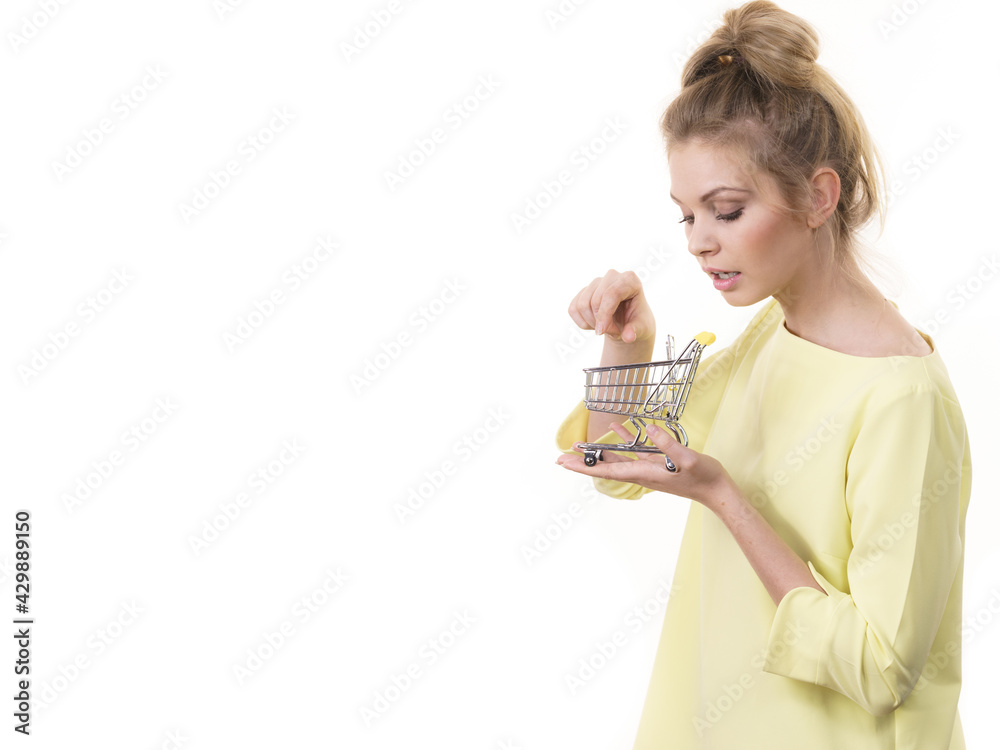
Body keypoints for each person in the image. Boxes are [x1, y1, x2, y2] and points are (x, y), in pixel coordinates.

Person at [554, 2, 972, 748]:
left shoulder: (901, 399)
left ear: (818, 196)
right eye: (687, 216)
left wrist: (724, 497)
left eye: (726, 210)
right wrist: (630, 346)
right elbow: (615, 465)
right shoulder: (775, 334)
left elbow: (882, 669)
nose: (699, 243)